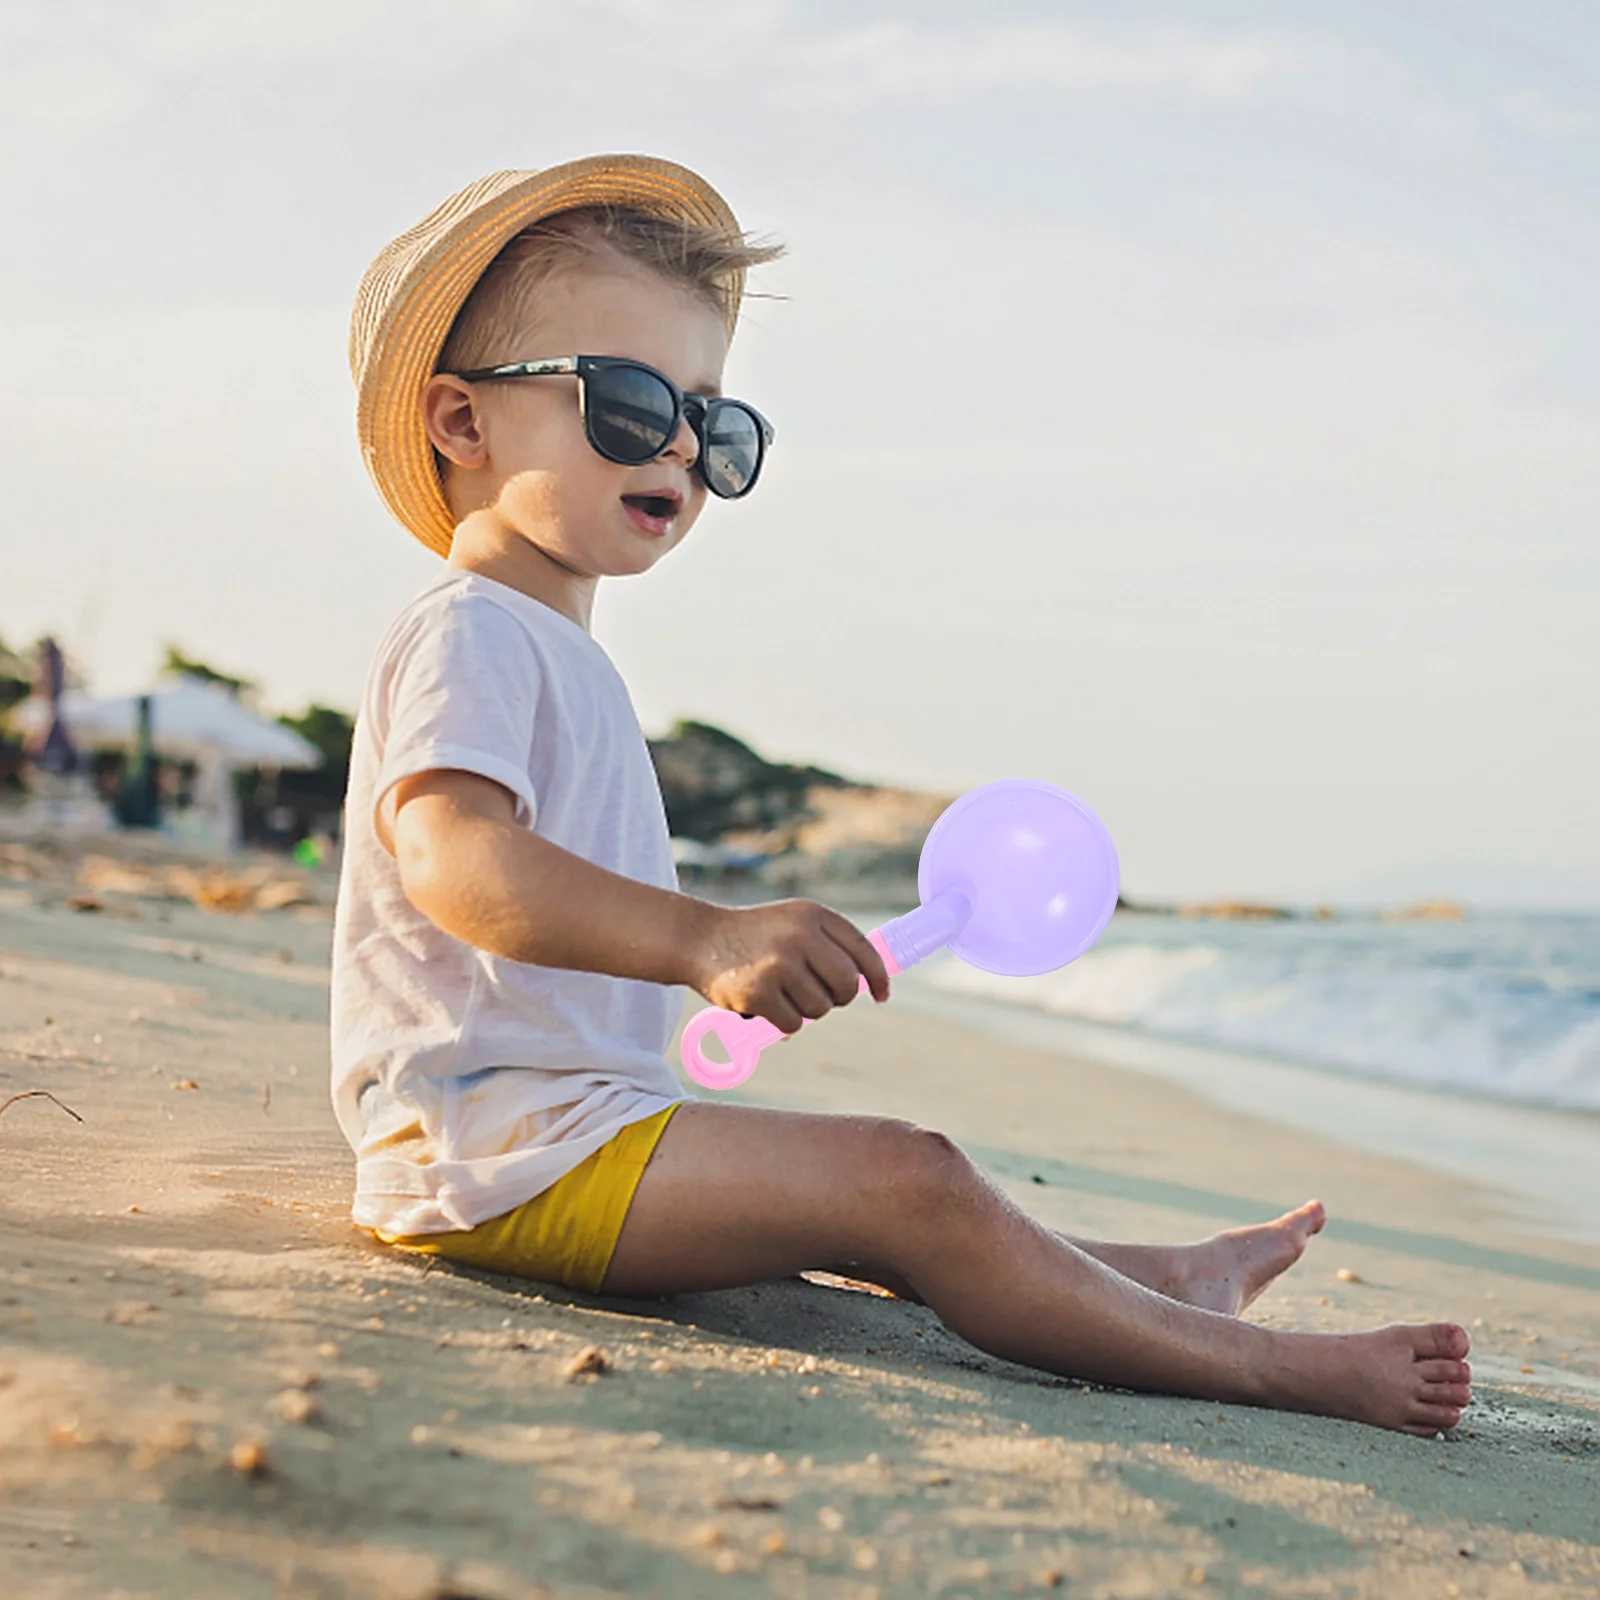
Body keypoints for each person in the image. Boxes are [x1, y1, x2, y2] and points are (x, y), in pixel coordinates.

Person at [335, 155, 1470, 1435]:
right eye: (630, 400)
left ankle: (1160, 1283)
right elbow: (449, 856)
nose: (677, 448)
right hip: (494, 1161)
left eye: (712, 422)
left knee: (892, 1203)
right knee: (902, 1178)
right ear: (461, 422)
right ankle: (1275, 1372)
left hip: (563, 1135)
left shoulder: (548, 645)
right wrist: (698, 937)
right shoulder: (471, 629)